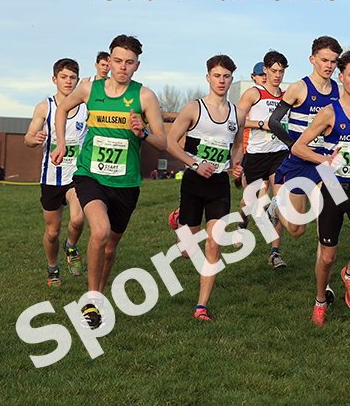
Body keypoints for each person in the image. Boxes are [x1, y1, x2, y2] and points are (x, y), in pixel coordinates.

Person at [51, 34, 167, 329]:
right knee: (99, 233)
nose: (122, 67)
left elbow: (162, 142)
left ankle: (97, 295)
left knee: (110, 247)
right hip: (90, 175)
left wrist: (142, 133)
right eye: (117, 61)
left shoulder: (145, 97)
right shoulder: (89, 90)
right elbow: (63, 109)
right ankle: (92, 301)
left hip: (126, 184)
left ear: (136, 65)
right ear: (109, 61)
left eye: (129, 62)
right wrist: (61, 143)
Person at [290, 51, 350, 326]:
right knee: (327, 257)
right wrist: (324, 159)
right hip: (333, 186)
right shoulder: (329, 113)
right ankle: (320, 300)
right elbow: (299, 146)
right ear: (341, 76)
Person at [165, 54, 244, 321]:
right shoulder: (193, 109)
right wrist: (195, 163)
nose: (222, 81)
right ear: (208, 77)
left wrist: (236, 164)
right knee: (188, 251)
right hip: (193, 183)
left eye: (226, 76)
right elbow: (171, 142)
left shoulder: (238, 114)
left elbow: (237, 145)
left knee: (214, 244)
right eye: (217, 76)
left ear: (231, 79)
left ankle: (201, 307)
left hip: (219, 185)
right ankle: (179, 218)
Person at [267, 37, 343, 258]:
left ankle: (324, 283)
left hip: (326, 163)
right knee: (296, 230)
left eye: (333, 61)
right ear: (312, 59)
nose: (328, 65)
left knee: (325, 225)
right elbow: (274, 122)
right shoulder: (298, 88)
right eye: (324, 60)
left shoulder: (339, 91)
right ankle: (276, 208)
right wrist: (296, 146)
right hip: (299, 162)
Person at [24, 58, 88, 285]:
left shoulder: (85, 107)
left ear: (78, 80)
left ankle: (71, 247)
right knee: (52, 232)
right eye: (64, 77)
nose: (68, 82)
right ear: (55, 79)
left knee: (78, 219)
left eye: (72, 78)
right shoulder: (44, 107)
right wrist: (35, 138)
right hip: (51, 177)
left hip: (77, 175)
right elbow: (28, 137)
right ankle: (53, 268)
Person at [234, 51, 289, 265]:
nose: (277, 75)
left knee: (278, 201)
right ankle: (242, 223)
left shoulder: (286, 97)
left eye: (281, 71)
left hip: (279, 154)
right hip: (255, 156)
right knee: (249, 201)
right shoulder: (253, 93)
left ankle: (275, 253)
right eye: (274, 71)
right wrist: (259, 124)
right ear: (265, 70)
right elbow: (235, 120)